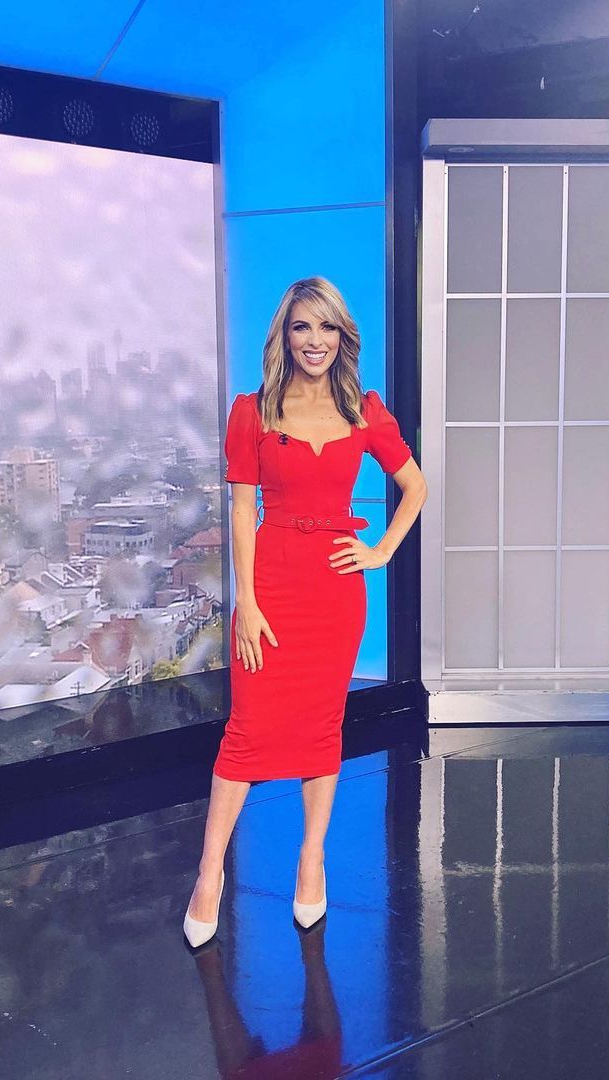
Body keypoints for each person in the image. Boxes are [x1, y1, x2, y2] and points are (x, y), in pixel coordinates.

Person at [184, 276, 427, 947]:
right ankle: (209, 872)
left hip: (335, 592)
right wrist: (248, 603)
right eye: (302, 327)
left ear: (342, 336)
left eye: (326, 327)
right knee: (247, 730)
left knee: (324, 727)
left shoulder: (364, 411)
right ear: (284, 337)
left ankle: (311, 858)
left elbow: (415, 486)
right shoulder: (253, 411)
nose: (314, 340)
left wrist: (379, 551)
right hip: (272, 583)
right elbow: (242, 512)